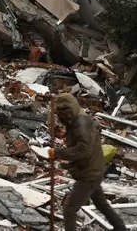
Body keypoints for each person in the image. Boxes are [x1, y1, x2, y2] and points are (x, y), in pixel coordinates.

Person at [50, 94, 127, 231]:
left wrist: (58, 153)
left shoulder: (81, 123)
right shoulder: (75, 120)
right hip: (92, 169)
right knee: (102, 205)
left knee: (69, 209)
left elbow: (84, 150)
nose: (59, 116)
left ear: (68, 109)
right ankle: (121, 228)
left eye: (61, 112)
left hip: (89, 174)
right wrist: (68, 163)